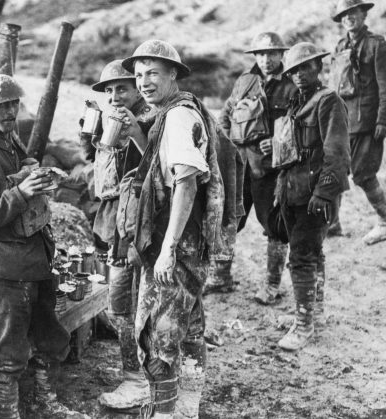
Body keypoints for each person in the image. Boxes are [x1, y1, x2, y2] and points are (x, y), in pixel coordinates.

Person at [0, 74, 74, 419]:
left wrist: (40, 178)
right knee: (8, 353)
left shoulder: (11, 142)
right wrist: (20, 193)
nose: (8, 111)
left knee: (50, 336)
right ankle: (9, 413)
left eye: (12, 104)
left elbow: (22, 177)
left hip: (34, 258)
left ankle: (44, 403)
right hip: (4, 266)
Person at [120, 39, 226, 419]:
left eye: (152, 73)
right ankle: (186, 409)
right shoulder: (176, 112)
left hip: (177, 242)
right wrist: (136, 132)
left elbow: (185, 182)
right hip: (189, 241)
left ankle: (166, 414)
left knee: (157, 336)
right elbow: (162, 161)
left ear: (173, 75)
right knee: (190, 326)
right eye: (138, 74)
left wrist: (167, 248)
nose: (143, 82)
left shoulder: (178, 117)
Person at [78, 59, 150, 410]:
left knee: (134, 304)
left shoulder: (151, 119)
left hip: (138, 223)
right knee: (123, 303)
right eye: (109, 90)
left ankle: (140, 381)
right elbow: (101, 168)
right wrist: (90, 138)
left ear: (137, 86)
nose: (115, 95)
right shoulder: (110, 117)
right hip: (114, 219)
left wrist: (133, 131)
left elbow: (157, 166)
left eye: (122, 88)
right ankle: (138, 375)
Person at [209, 32, 297, 304]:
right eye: (260, 54)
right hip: (240, 166)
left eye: (271, 54)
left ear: (281, 55)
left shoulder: (293, 85)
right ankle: (221, 277)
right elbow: (225, 115)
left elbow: (303, 124)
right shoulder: (245, 81)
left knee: (275, 226)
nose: (266, 59)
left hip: (271, 170)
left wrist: (279, 142)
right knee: (228, 220)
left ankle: (271, 285)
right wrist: (229, 145)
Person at [276, 42, 350, 351]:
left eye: (305, 67)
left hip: (314, 194)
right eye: (293, 70)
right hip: (294, 191)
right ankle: (311, 311)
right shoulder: (297, 101)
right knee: (312, 252)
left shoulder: (328, 101)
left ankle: (304, 325)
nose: (298, 75)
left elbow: (338, 154)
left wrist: (325, 192)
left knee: (301, 258)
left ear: (318, 68)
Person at [329, 0, 386, 244]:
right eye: (345, 14)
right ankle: (332, 223)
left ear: (363, 14)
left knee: (363, 174)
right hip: (344, 124)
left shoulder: (376, 45)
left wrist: (384, 121)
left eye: (354, 12)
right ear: (341, 20)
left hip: (368, 123)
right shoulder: (340, 47)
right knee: (335, 170)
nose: (350, 17)